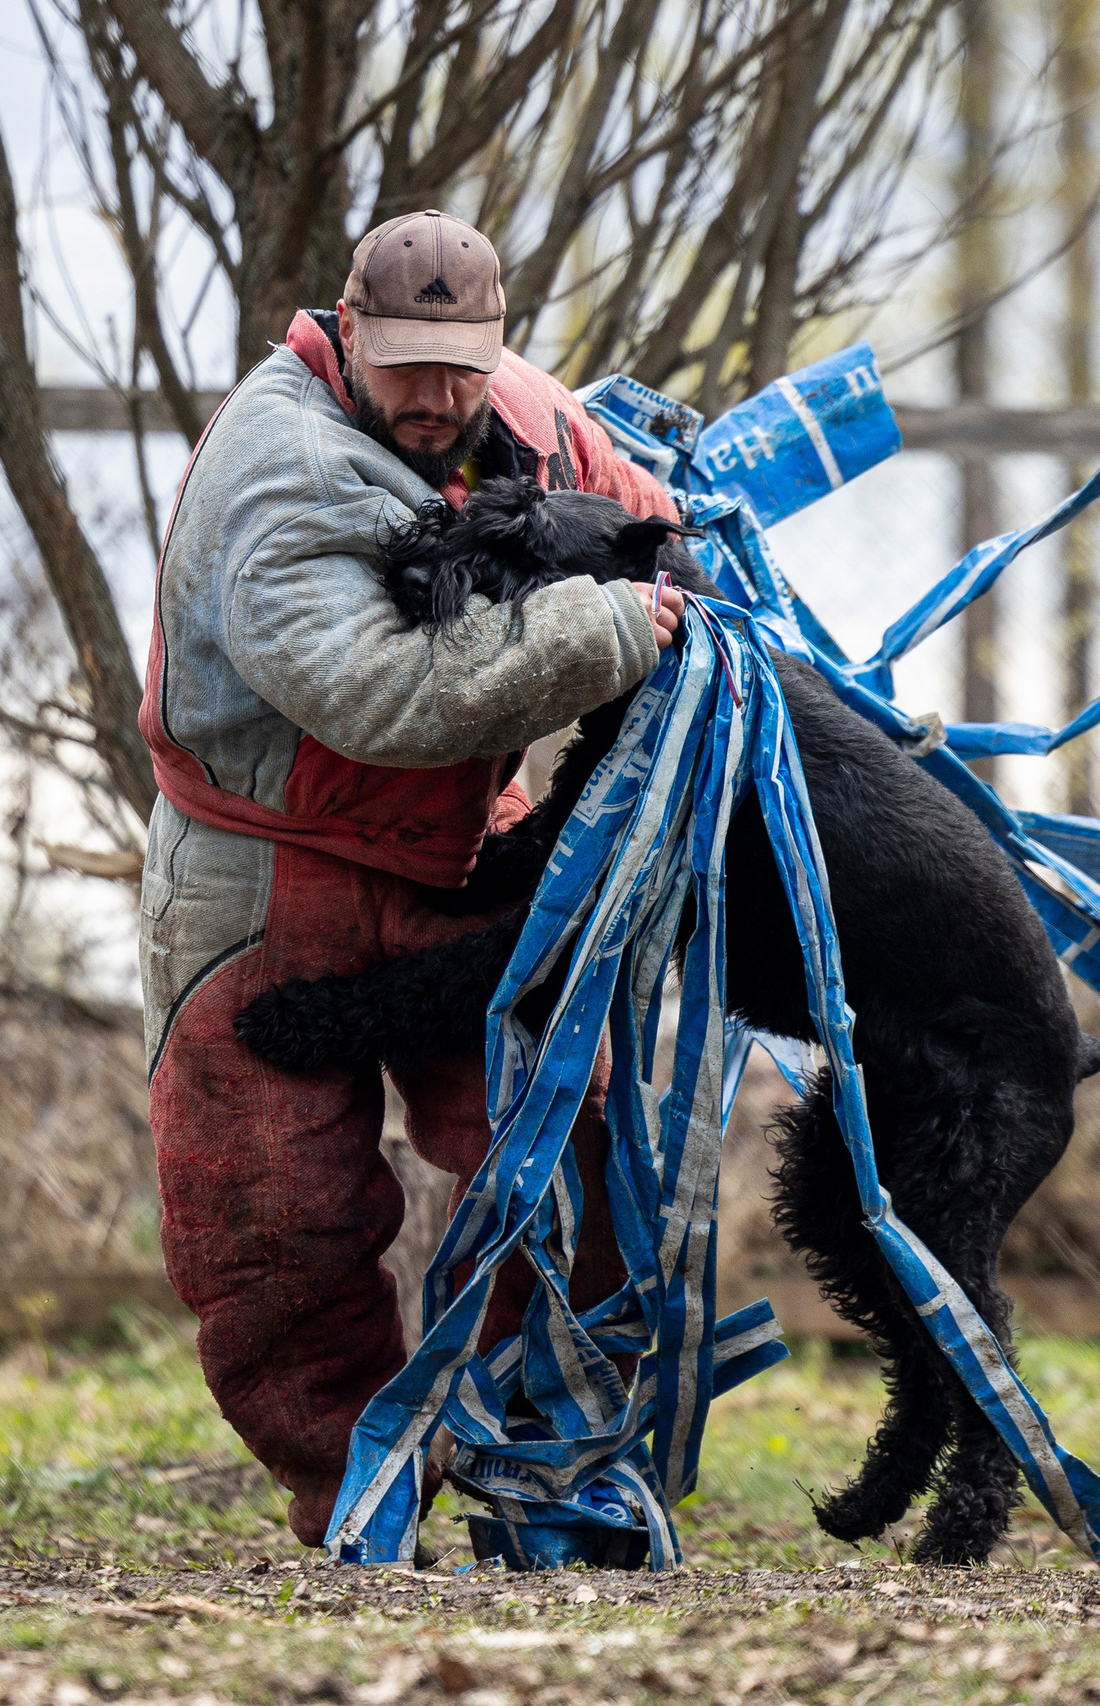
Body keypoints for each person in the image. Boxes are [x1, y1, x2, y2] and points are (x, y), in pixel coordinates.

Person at [135, 210, 689, 1548]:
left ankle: (542, 1465)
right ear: (345, 338)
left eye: (462, 366)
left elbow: (652, 519)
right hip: (267, 869)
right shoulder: (279, 472)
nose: (438, 400)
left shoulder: (525, 421)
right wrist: (604, 626)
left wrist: (667, 557)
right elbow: (379, 692)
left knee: (569, 1140)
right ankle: (355, 1487)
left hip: (458, 849)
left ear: (496, 347)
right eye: (407, 370)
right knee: (278, 1209)